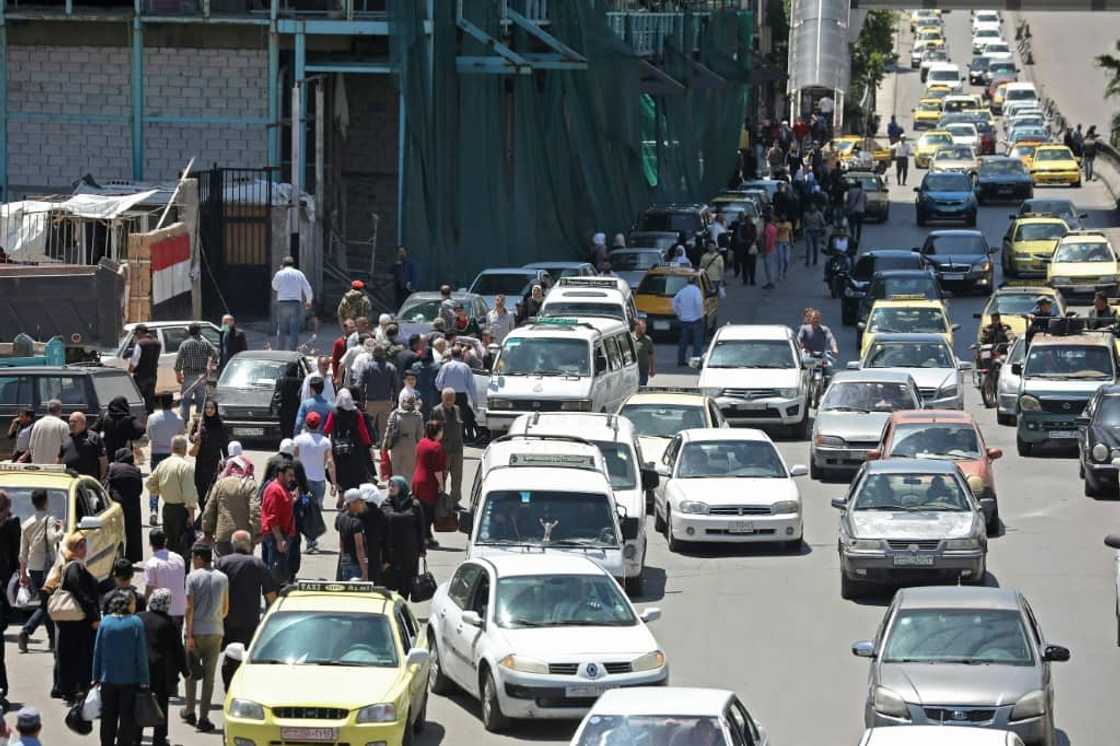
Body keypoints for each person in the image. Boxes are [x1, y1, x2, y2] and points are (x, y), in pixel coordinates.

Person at [45, 531, 99, 704]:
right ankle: (72, 689)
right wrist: (94, 616)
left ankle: (68, 688)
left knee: (69, 654)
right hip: (77, 621)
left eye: (84, 545)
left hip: (75, 621)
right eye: (79, 546)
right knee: (75, 655)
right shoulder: (74, 568)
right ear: (71, 549)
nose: (84, 549)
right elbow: (81, 594)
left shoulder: (75, 565)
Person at [92, 589, 149, 746]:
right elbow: (141, 655)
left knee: (108, 718)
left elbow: (98, 651)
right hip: (130, 681)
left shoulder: (105, 623)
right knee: (126, 719)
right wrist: (144, 680)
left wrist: (95, 677)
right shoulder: (136, 623)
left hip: (107, 679)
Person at [182, 542, 228, 733]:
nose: (192, 561)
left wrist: (189, 634)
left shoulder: (192, 577)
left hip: (196, 630)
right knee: (209, 677)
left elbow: (189, 608)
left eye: (193, 558)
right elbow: (226, 608)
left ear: (199, 558)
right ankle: (204, 717)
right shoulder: (223, 578)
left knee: (191, 671)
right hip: (216, 630)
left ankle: (190, 710)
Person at [137, 588, 188, 746]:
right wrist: (185, 671)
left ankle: (135, 736)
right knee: (161, 703)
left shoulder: (139, 618)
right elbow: (178, 650)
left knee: (138, 701)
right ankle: (159, 739)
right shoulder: (170, 623)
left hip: (140, 668)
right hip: (161, 670)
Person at [214, 530, 277, 647]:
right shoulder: (257, 564)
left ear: (232, 545)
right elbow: (271, 595)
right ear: (249, 545)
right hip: (250, 621)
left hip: (225, 620)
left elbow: (213, 591)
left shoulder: (222, 563)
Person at [17, 489, 60, 654]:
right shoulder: (50, 520)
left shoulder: (26, 523)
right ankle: (27, 631)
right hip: (47, 568)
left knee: (46, 602)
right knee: (47, 603)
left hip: (33, 568)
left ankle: (51, 640)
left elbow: (23, 553)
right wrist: (60, 530)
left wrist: (22, 574)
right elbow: (52, 538)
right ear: (46, 501)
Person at [146, 435, 197, 558]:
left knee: (169, 545)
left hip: (167, 508)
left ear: (172, 448)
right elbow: (189, 494)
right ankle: (181, 574)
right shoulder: (186, 466)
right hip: (181, 510)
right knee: (183, 547)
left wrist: (158, 491)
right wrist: (191, 515)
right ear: (184, 448)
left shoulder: (163, 464)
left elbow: (149, 482)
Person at [382, 476, 426, 599]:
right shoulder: (386, 503)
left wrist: (422, 549)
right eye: (389, 485)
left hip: (409, 550)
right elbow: (388, 517)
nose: (390, 488)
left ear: (401, 487)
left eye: (393, 485)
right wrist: (405, 517)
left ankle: (403, 606)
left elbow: (421, 528)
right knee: (390, 580)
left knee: (406, 581)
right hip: (391, 549)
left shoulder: (414, 504)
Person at [201, 466, 260, 557]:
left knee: (222, 568)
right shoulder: (250, 485)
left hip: (223, 536)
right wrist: (255, 534)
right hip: (244, 538)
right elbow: (255, 511)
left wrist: (207, 532)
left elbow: (209, 509)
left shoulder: (220, 483)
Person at [411, 421, 446, 548]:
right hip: (429, 483)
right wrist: (441, 485)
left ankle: (426, 536)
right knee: (429, 513)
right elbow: (438, 470)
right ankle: (424, 538)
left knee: (421, 511)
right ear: (438, 432)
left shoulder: (422, 442)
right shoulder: (437, 447)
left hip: (417, 480)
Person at [260, 463, 297, 584]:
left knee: (280, 573)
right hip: (275, 536)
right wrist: (279, 540)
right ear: (280, 475)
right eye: (289, 475)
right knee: (275, 575)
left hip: (281, 535)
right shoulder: (274, 490)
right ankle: (272, 600)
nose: (292, 478)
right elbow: (272, 518)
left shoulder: (282, 488)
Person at [436, 345, 480, 443]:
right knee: (462, 417)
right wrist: (475, 400)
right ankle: (464, 437)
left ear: (451, 355)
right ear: (461, 355)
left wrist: (442, 391)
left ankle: (447, 436)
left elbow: (438, 383)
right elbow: (471, 385)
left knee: (446, 416)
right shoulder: (465, 367)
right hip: (461, 396)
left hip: (447, 394)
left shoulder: (446, 366)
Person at [106, 449, 144, 563]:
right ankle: (132, 557)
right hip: (133, 504)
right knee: (132, 531)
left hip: (116, 503)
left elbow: (107, 484)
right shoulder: (136, 470)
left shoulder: (112, 467)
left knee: (116, 531)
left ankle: (116, 558)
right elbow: (140, 489)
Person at [174, 323, 216, 423]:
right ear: (199, 331)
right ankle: (198, 422)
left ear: (189, 331)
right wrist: (210, 365)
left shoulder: (185, 344)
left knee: (185, 400)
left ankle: (184, 422)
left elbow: (178, 361)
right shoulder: (206, 343)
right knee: (201, 401)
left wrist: (178, 375)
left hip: (188, 376)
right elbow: (215, 354)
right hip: (202, 377)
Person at [189, 399, 228, 509]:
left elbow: (225, 446)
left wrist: (227, 463)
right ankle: (203, 513)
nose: (209, 410)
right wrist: (194, 437)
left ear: (216, 410)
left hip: (214, 464)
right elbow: (191, 438)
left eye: (212, 408)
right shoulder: (199, 423)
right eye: (207, 408)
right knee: (200, 490)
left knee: (213, 492)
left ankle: (209, 516)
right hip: (200, 463)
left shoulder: (221, 425)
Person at [293, 410, 335, 510]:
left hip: (303, 482)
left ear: (306, 425)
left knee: (305, 508)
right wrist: (333, 483)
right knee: (318, 510)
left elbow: (294, 461)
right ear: (319, 425)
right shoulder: (325, 442)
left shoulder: (298, 440)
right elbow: (330, 463)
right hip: (320, 482)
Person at [430, 388, 465, 504]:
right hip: (444, 450)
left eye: (452, 398)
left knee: (457, 477)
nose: (449, 401)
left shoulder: (458, 409)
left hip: (457, 449)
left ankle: (455, 501)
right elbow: (432, 432)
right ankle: (441, 501)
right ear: (442, 398)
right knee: (442, 478)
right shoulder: (436, 411)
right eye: (447, 398)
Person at [271, 256, 314, 351]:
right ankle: (292, 351)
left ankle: (280, 350)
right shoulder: (299, 273)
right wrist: (308, 301)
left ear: (283, 264)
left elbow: (274, 286)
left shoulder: (279, 273)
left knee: (282, 328)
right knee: (294, 329)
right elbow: (307, 288)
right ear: (293, 264)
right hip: (295, 303)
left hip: (282, 303)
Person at [360, 344, 399, 442]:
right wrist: (394, 399)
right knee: (385, 429)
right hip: (386, 401)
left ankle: (368, 449)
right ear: (384, 354)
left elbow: (360, 384)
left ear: (373, 354)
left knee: (368, 427)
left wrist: (362, 399)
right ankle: (383, 451)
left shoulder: (367, 366)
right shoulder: (391, 367)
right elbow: (396, 385)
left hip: (371, 401)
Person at [93, 396, 146, 465]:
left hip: (109, 452)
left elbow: (93, 430)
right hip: (124, 452)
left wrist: (100, 440)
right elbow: (141, 429)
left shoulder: (105, 417)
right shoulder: (128, 419)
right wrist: (132, 436)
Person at [384, 392, 424, 483]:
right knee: (410, 472)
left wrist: (385, 446)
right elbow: (420, 435)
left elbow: (388, 431)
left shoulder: (394, 414)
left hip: (396, 445)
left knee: (396, 471)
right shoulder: (418, 416)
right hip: (411, 445)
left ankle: (397, 492)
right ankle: (407, 492)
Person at [672, 275, 705, 367]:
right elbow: (699, 303)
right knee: (697, 342)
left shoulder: (682, 291)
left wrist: (679, 313)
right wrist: (701, 315)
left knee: (683, 342)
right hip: (696, 320)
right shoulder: (697, 291)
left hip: (684, 320)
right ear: (696, 282)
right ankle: (695, 362)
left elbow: (674, 302)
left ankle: (681, 361)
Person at [128, 324, 162, 413]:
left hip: (140, 377)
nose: (136, 336)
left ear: (140, 333)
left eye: (136, 334)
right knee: (150, 400)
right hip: (153, 376)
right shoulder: (157, 343)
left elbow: (134, 361)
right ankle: (150, 420)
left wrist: (129, 372)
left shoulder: (140, 343)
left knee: (137, 400)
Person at [336, 489, 369, 580]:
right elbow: (359, 547)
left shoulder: (341, 517)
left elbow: (341, 542)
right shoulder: (356, 523)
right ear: (353, 503)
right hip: (355, 563)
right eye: (361, 501)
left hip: (346, 561)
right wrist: (365, 571)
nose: (363, 504)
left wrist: (343, 558)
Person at [27, 399, 68, 465]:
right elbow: (67, 447)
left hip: (38, 465)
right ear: (60, 410)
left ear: (48, 410)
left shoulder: (37, 424)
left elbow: (31, 445)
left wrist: (35, 459)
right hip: (55, 467)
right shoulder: (63, 425)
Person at [272, 361, 304, 442]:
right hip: (295, 410)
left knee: (285, 431)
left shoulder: (280, 381)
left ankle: (285, 445)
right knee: (294, 430)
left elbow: (276, 395)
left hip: (284, 410)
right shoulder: (300, 382)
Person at [331, 318, 356, 384]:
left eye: (353, 327)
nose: (352, 330)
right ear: (344, 329)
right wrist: (336, 376)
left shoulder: (357, 341)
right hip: (342, 372)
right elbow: (335, 360)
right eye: (350, 327)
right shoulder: (339, 342)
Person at [802, 203, 826, 267]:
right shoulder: (806, 214)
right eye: (811, 206)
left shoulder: (819, 214)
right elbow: (803, 223)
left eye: (813, 206)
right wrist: (803, 231)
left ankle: (815, 261)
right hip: (808, 232)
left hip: (816, 232)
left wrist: (822, 231)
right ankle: (807, 261)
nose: (812, 208)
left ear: (815, 207)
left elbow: (823, 223)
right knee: (808, 248)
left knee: (815, 247)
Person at [633, 320, 655, 385]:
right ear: (636, 327)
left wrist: (652, 368)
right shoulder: (629, 337)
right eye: (642, 328)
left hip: (643, 371)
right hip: (631, 371)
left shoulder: (648, 340)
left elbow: (651, 354)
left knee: (641, 389)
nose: (644, 330)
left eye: (644, 328)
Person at [845, 178, 867, 245]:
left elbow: (848, 201)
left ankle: (852, 236)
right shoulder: (863, 192)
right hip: (860, 211)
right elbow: (865, 202)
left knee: (852, 225)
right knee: (859, 226)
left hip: (852, 211)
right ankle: (858, 239)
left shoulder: (850, 191)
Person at [761, 214, 778, 290]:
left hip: (769, 249)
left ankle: (770, 282)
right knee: (771, 266)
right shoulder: (773, 227)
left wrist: (765, 250)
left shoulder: (767, 228)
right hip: (773, 248)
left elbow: (767, 240)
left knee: (768, 267)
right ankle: (771, 282)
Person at [774, 214, 794, 279]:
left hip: (787, 243)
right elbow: (775, 234)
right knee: (780, 259)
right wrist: (774, 242)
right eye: (781, 217)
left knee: (786, 260)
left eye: (784, 217)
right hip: (779, 243)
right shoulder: (777, 225)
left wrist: (792, 242)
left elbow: (791, 233)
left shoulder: (788, 224)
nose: (783, 218)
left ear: (786, 218)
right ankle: (779, 274)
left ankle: (784, 272)